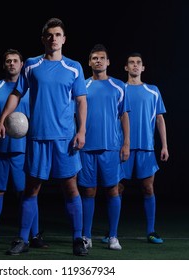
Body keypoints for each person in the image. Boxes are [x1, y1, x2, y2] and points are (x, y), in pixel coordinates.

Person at [0, 18, 89, 256]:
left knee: (70, 189)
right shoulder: (30, 65)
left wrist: (81, 130)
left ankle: (78, 239)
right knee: (31, 189)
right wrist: (2, 118)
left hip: (65, 139)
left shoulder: (74, 67)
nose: (53, 39)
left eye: (58, 34)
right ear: (43, 39)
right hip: (37, 137)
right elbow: (17, 93)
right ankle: (23, 239)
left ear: (64, 39)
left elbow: (81, 101)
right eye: (49, 35)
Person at [0, 49, 47, 249]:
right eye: (8, 61)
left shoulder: (31, 89)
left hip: (24, 150)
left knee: (27, 193)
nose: (12, 64)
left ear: (22, 64)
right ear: (4, 64)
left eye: (15, 61)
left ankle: (34, 236)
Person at [102, 52, 169, 244]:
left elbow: (160, 119)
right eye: (131, 62)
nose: (135, 66)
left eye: (138, 63)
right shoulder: (118, 89)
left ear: (143, 67)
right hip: (121, 148)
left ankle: (151, 231)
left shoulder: (153, 90)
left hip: (146, 148)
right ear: (125, 67)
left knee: (148, 188)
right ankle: (112, 232)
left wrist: (164, 145)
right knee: (116, 189)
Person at [78, 44, 130, 251]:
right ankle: (86, 236)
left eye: (102, 58)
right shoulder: (81, 86)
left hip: (111, 147)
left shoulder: (118, 86)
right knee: (88, 191)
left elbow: (124, 115)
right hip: (86, 147)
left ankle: (113, 236)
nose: (98, 61)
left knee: (112, 190)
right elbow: (74, 115)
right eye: (94, 58)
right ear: (89, 62)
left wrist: (126, 143)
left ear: (108, 62)